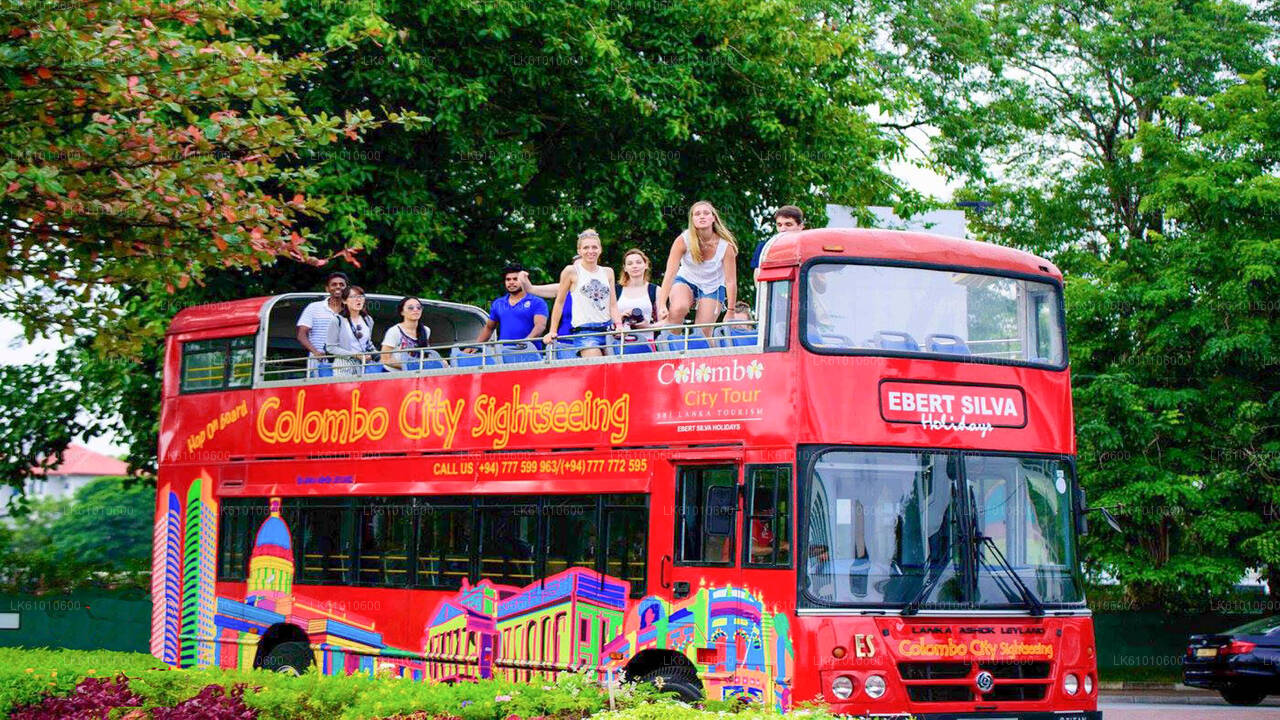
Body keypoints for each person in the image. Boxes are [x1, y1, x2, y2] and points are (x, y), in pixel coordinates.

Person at [657, 201, 738, 338]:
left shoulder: (725, 247)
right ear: (692, 220)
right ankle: (669, 345)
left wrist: (730, 310)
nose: (702, 216)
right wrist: (662, 305)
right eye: (697, 214)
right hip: (686, 280)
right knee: (678, 307)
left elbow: (730, 281)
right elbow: (670, 274)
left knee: (703, 333)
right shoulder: (683, 240)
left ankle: (706, 353)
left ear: (713, 218)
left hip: (713, 286)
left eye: (706, 213)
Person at [545, 230, 622, 358]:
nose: (590, 251)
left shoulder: (608, 272)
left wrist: (619, 325)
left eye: (594, 247)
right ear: (579, 251)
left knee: (614, 370)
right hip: (585, 332)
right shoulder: (571, 271)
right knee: (597, 369)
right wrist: (552, 331)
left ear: (600, 249)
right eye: (586, 247)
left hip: (609, 330)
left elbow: (612, 304)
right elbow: (559, 302)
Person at [475, 264, 549, 352]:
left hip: (530, 353)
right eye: (508, 279)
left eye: (515, 279)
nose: (511, 282)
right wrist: (476, 346)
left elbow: (540, 326)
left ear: (524, 280)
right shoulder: (498, 303)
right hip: (503, 354)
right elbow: (489, 328)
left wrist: (525, 342)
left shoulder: (537, 302)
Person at [295, 272, 348, 376]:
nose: (338, 287)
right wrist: (316, 352)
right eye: (334, 284)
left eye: (342, 284)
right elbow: (301, 335)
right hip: (318, 365)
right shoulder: (313, 307)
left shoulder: (351, 310)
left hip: (345, 364)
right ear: (327, 289)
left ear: (347, 288)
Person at [325, 286, 375, 375]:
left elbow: (368, 344)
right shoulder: (337, 320)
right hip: (343, 367)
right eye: (353, 297)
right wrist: (354, 355)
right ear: (344, 301)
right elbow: (330, 347)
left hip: (364, 366)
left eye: (361, 296)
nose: (358, 299)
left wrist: (377, 355)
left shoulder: (368, 320)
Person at [615, 248, 660, 347]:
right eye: (630, 263)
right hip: (620, 344)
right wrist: (620, 318)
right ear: (625, 268)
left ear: (646, 265)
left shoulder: (655, 290)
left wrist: (648, 326)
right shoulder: (615, 290)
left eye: (638, 262)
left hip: (647, 343)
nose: (634, 266)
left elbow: (665, 321)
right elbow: (606, 318)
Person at [753, 205, 805, 281]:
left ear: (800, 226)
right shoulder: (765, 247)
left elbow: (821, 286)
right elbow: (758, 281)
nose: (783, 229)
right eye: (779, 225)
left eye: (788, 224)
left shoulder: (807, 247)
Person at [381, 296, 431, 371]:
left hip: (415, 374)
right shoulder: (394, 331)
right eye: (410, 308)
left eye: (419, 307)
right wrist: (408, 366)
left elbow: (427, 352)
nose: (415, 310)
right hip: (392, 375)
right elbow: (385, 359)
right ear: (402, 312)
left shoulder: (426, 330)